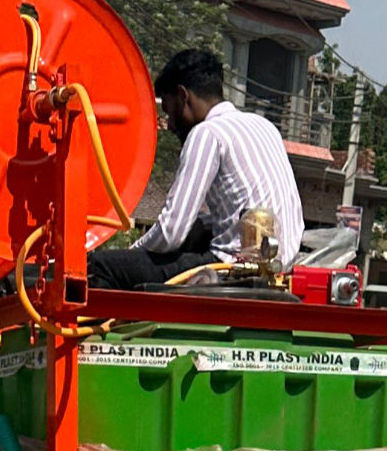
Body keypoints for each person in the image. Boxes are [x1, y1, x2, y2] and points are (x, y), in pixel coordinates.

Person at [89, 49, 304, 291]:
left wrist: (132, 252)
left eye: (169, 112)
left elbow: (171, 233)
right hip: (282, 270)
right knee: (199, 227)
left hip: (229, 269)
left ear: (183, 96)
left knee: (100, 266)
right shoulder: (265, 127)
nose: (169, 125)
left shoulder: (207, 133)